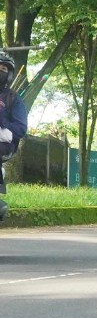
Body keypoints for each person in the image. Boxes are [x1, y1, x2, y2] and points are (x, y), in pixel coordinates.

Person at [0, 52, 28, 221]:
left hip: (5, 144)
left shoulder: (13, 98)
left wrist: (3, 122)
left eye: (3, 69)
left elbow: (21, 129)